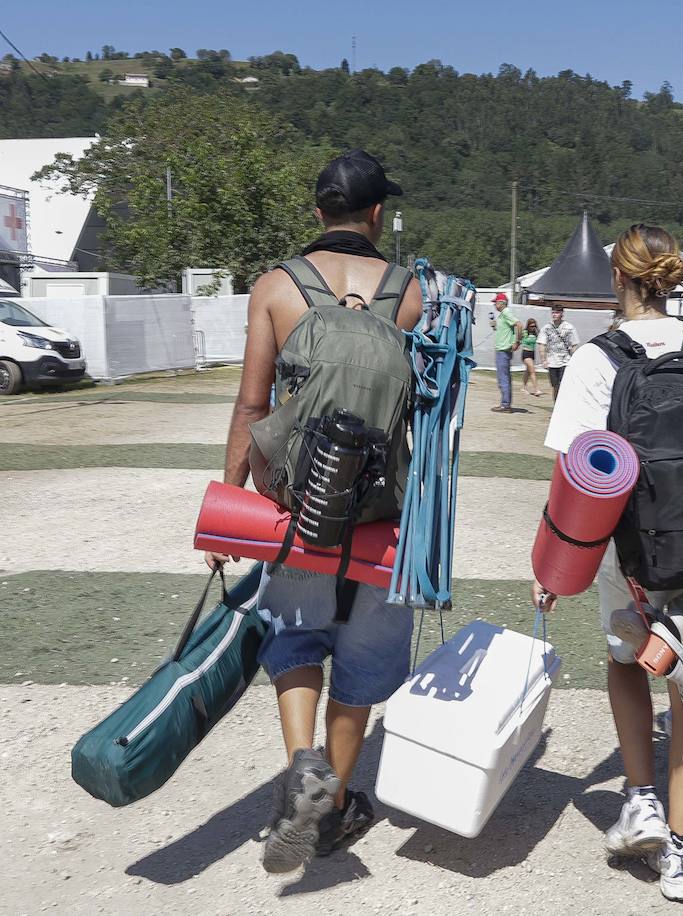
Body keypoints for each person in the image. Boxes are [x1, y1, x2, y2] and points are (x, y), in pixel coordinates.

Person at [207, 149, 422, 872]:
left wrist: (232, 498)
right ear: (376, 213)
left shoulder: (276, 286)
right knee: (361, 664)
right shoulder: (412, 292)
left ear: (318, 211)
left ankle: (304, 764)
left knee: (296, 642)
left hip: (294, 506)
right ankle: (331, 803)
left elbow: (252, 404)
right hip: (383, 511)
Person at [536, 224, 683, 904]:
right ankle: (681, 856)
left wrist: (553, 565)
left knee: (627, 663)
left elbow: (579, 476)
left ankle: (643, 799)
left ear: (616, 279)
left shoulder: (599, 360)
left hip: (634, 557)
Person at [537, 305, 580, 401]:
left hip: (565, 360)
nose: (554, 314)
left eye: (556, 312)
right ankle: (556, 406)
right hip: (552, 361)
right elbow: (542, 344)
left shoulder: (569, 327)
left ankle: (564, 407)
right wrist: (543, 360)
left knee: (563, 384)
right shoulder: (547, 328)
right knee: (555, 386)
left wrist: (574, 360)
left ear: (561, 314)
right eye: (553, 312)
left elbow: (574, 345)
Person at [491, 292, 520, 412]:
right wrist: (495, 327)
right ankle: (505, 403)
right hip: (502, 348)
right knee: (504, 376)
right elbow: (508, 329)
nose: (494, 305)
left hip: (503, 349)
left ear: (501, 303)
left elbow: (518, 324)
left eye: (496, 302)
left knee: (503, 377)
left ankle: (505, 404)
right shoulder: (503, 315)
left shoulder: (506, 313)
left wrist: (517, 341)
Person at [520, 318, 542, 397]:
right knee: (532, 370)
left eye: (534, 326)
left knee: (528, 371)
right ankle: (536, 389)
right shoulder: (525, 332)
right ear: (528, 326)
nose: (533, 327)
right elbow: (519, 338)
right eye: (531, 326)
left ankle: (523, 387)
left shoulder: (536, 333)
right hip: (526, 353)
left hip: (532, 353)